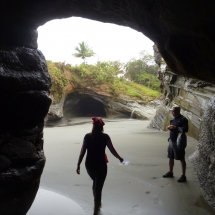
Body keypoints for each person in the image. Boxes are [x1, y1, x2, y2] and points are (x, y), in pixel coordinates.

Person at [76, 116, 124, 215]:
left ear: (93, 126)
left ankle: (97, 204)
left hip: (89, 165)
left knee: (95, 182)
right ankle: (95, 211)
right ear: (102, 127)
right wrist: (119, 157)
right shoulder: (105, 137)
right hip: (101, 165)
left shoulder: (87, 136)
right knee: (98, 187)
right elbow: (112, 149)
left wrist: (78, 164)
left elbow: (82, 151)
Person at [163, 106, 188, 182]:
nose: (172, 112)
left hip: (179, 141)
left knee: (181, 158)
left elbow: (186, 129)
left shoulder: (183, 119)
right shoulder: (172, 119)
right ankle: (170, 172)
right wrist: (170, 128)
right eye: (171, 111)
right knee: (170, 157)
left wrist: (176, 127)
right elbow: (172, 129)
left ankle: (183, 176)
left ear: (177, 111)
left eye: (173, 111)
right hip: (171, 140)